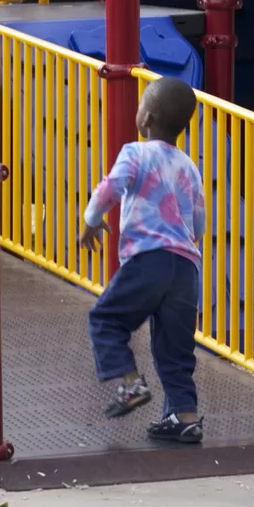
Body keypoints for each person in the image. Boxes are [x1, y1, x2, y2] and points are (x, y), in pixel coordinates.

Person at [76, 76, 206, 444]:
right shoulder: (189, 166)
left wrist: (90, 220)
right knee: (175, 350)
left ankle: (131, 384)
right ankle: (184, 417)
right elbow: (198, 221)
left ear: (145, 118)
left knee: (106, 319)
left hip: (149, 260)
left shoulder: (135, 153)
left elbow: (110, 187)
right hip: (186, 268)